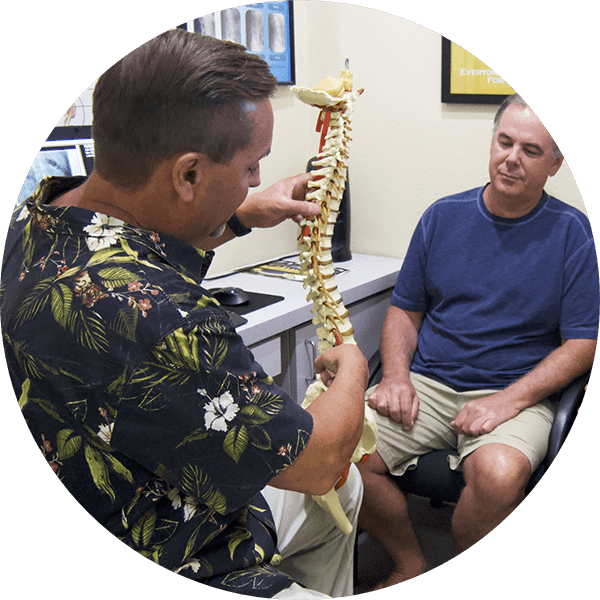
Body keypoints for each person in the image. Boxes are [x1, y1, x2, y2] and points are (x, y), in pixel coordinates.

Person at [2, 29, 368, 598]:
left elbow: (127, 249)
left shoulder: (35, 222)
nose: (255, 183)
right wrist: (355, 370)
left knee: (344, 496)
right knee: (333, 479)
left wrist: (244, 212)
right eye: (252, 169)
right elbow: (319, 461)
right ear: (189, 175)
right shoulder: (169, 323)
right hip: (177, 546)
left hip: (117, 473)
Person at [357, 94, 598, 588]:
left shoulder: (573, 234)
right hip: (429, 383)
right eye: (504, 142)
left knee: (500, 475)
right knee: (336, 449)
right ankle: (408, 561)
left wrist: (506, 402)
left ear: (555, 164)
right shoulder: (442, 217)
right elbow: (404, 310)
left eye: (531, 150)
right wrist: (398, 377)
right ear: (491, 144)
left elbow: (581, 345)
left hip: (518, 392)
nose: (511, 158)